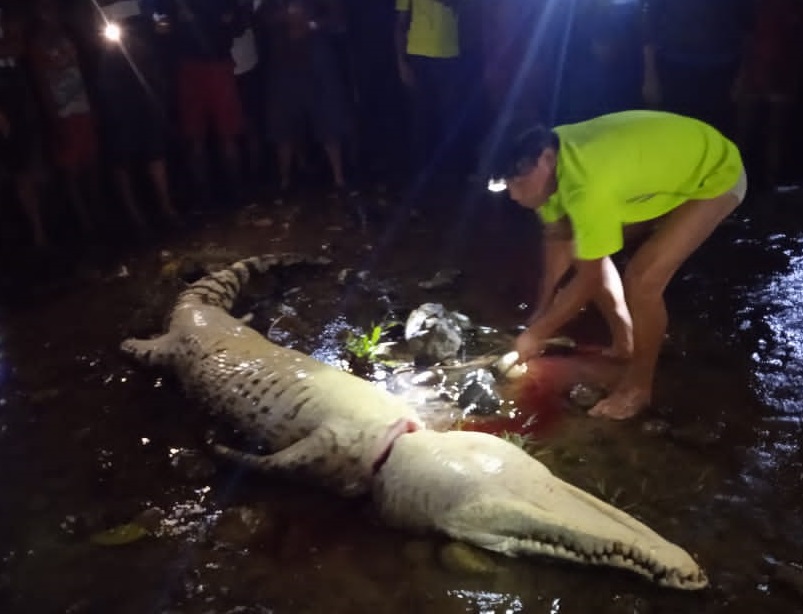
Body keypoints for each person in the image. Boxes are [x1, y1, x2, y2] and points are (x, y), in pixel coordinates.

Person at [487, 110, 746, 419]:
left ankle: (638, 389)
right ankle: (625, 342)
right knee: (588, 243)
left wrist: (539, 334)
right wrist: (540, 316)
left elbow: (588, 280)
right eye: (507, 186)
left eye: (518, 183)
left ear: (545, 159)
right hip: (660, 168)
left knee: (642, 279)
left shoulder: (587, 187)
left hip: (715, 172)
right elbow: (559, 241)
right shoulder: (549, 165)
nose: (515, 195)